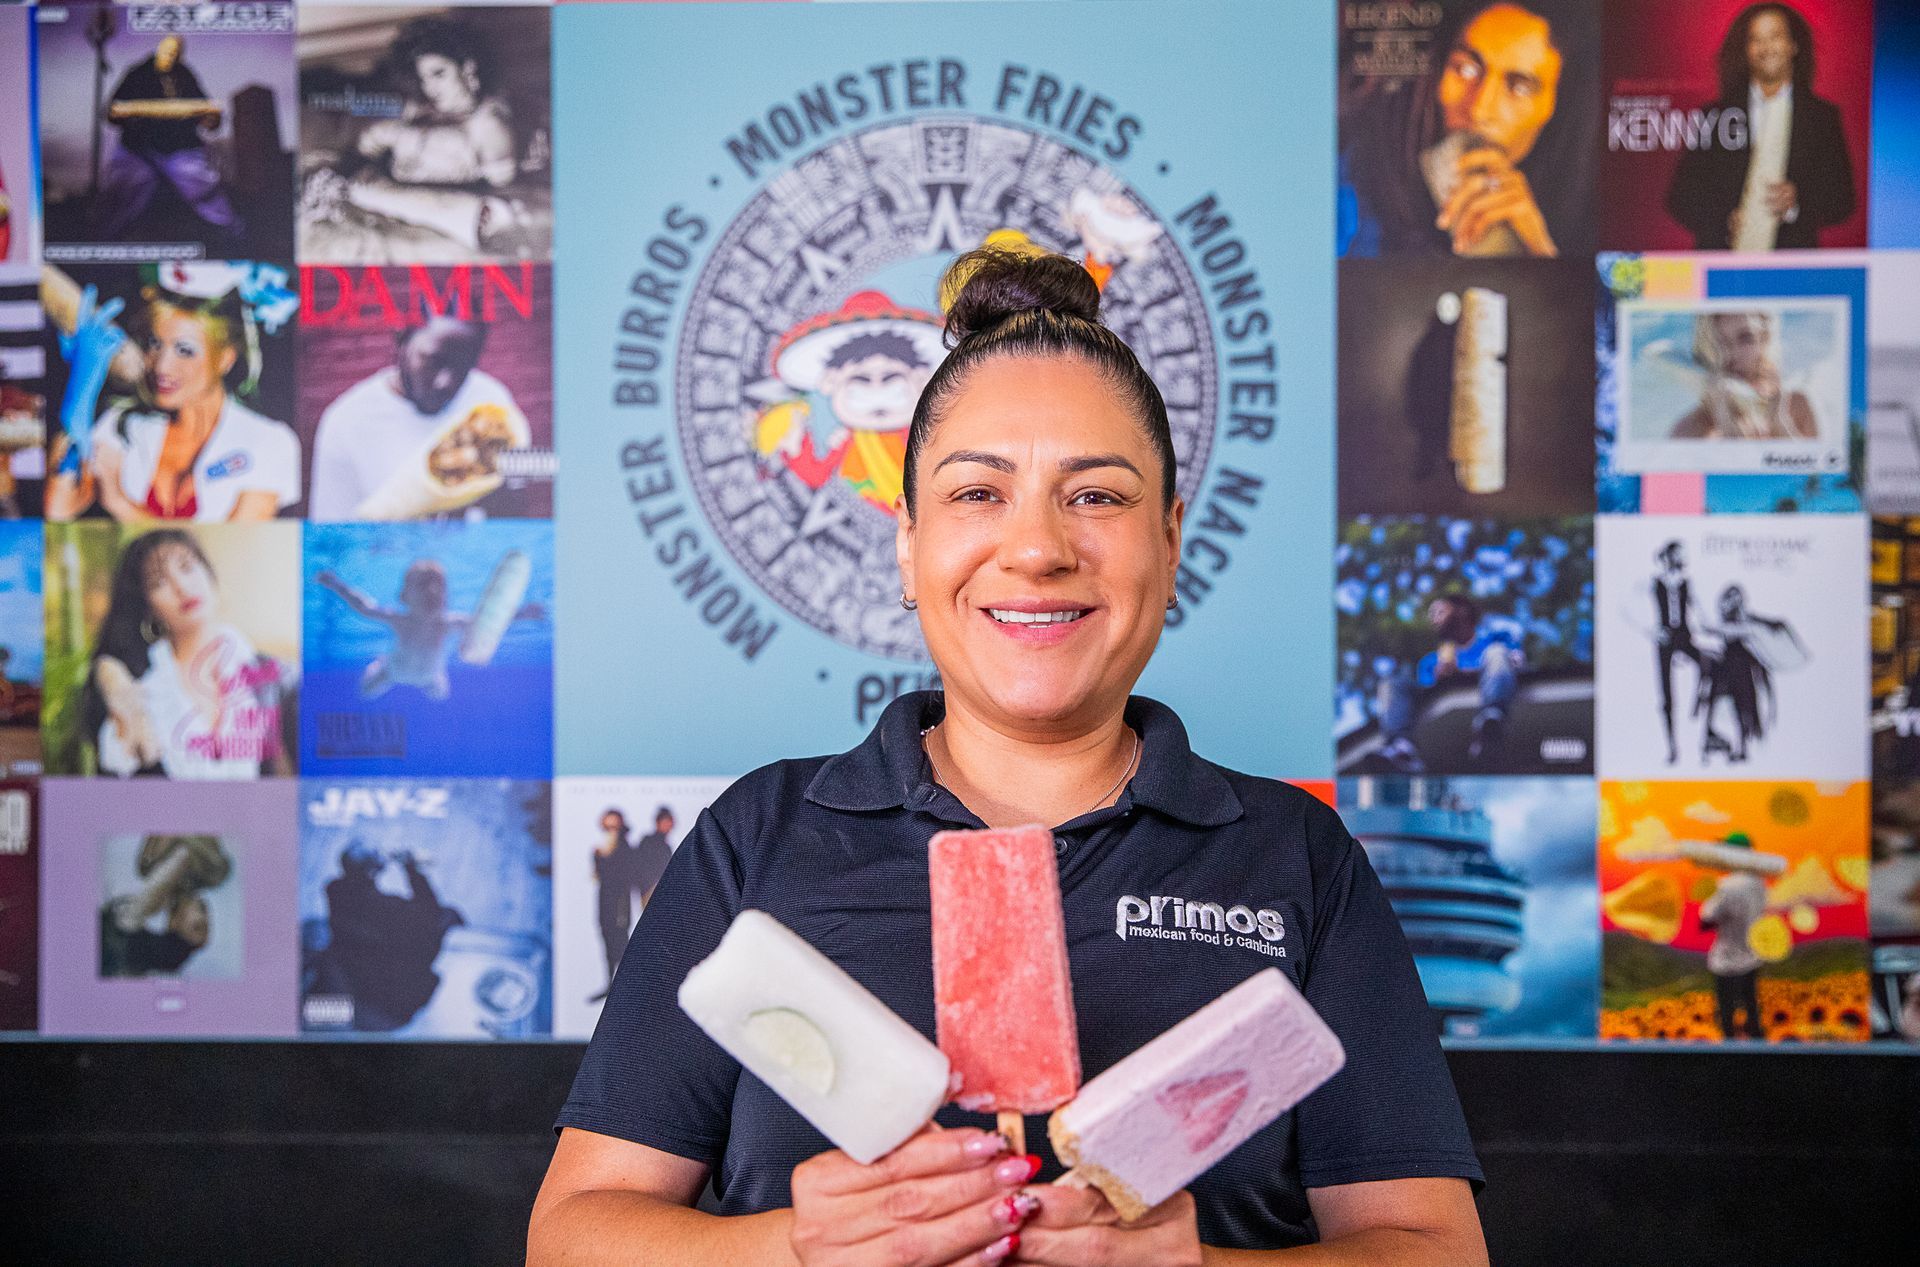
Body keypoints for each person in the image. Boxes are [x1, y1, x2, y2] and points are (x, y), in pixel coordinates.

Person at [530, 249, 1487, 1264]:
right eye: (978, 493)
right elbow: (570, 1236)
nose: (1036, 548)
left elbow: (1434, 1246)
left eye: (1098, 497)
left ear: (1170, 543)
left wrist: (1198, 1266)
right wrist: (797, 1249)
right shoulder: (757, 837)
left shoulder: (1296, 853)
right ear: (908, 543)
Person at [1339, 0, 1594, 258]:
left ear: (1555, 108)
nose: (1479, 109)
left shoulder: (1578, 219)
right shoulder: (1353, 181)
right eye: (1465, 69)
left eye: (1519, 87)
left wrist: (1538, 257)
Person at [47, 281, 300, 522]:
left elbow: (233, 546)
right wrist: (79, 397)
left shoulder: (270, 441)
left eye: (185, 350)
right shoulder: (125, 424)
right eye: (155, 344)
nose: (161, 366)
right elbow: (58, 509)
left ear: (225, 359)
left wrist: (119, 502)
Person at [305, 17, 535, 257]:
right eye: (424, 78)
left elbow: (500, 189)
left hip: (408, 195)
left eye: (439, 74)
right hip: (366, 165)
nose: (430, 88)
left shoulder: (491, 127)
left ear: (468, 68)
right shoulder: (436, 108)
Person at [77, 529, 292, 779]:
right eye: (159, 582)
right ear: (146, 607)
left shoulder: (273, 676)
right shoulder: (136, 689)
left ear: (208, 573)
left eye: (187, 567)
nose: (181, 586)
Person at [1665, 3, 1855, 251]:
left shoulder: (1822, 118)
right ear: (1746, 50)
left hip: (1794, 270)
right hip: (1723, 267)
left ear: (1793, 45)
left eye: (1775, 36)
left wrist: (1796, 203)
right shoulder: (1714, 115)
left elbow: (1843, 201)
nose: (1766, 48)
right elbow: (1681, 198)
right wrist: (1723, 221)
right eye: (1756, 39)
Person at [307, 316, 525, 519]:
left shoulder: (492, 402)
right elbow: (330, 534)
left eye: (464, 365)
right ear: (401, 337)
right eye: (433, 361)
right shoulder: (347, 421)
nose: (445, 382)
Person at [315, 554, 541, 701]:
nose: (432, 591)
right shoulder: (400, 620)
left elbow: (488, 622)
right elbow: (365, 607)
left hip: (429, 678)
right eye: (423, 584)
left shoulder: (448, 623)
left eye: (439, 585)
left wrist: (522, 614)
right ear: (404, 596)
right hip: (392, 672)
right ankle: (381, 663)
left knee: (442, 697)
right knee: (365, 692)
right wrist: (337, 585)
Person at [94, 35, 246, 248]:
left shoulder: (185, 74)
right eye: (166, 51)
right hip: (138, 148)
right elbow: (111, 111)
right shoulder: (137, 73)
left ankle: (239, 239)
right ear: (158, 49)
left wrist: (210, 118)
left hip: (181, 148)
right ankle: (101, 247)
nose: (169, 56)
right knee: (121, 198)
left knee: (207, 193)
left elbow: (206, 111)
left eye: (175, 53)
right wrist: (126, 113)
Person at [312, 842, 464, 1032]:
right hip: (383, 1011)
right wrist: (412, 870)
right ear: (371, 870)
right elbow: (429, 912)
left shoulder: (337, 892)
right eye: (375, 854)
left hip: (344, 1001)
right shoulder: (387, 908)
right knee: (446, 917)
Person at [1697, 583, 1806, 765]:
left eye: (1733, 599)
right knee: (1717, 708)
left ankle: (1741, 749)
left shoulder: (1748, 622)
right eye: (1727, 599)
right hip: (1727, 671)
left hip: (1743, 673)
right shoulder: (1731, 622)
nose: (1728, 603)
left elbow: (1723, 632)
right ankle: (1719, 746)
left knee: (1743, 711)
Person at [1668, 312, 1817, 442]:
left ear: (1764, 339)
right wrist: (1724, 421)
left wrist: (1781, 428)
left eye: (1746, 338)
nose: (1732, 354)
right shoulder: (1689, 431)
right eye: (1719, 342)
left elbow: (1820, 474)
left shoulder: (1797, 406)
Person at [1698, 839, 1768, 1040]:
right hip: (1752, 956)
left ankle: (1729, 1054)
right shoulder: (1759, 883)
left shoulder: (1727, 886)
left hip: (1727, 960)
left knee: (1727, 1015)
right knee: (1751, 1007)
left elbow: (1705, 921)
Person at [1651, 540, 1705, 765]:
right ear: (1670, 556)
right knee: (1667, 694)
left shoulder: (1686, 582)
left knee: (1708, 664)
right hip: (1665, 638)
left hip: (1685, 635)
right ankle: (1672, 746)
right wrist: (1651, 630)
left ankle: (1697, 709)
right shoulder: (1655, 582)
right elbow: (1628, 607)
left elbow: (1700, 611)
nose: (1683, 558)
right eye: (1679, 554)